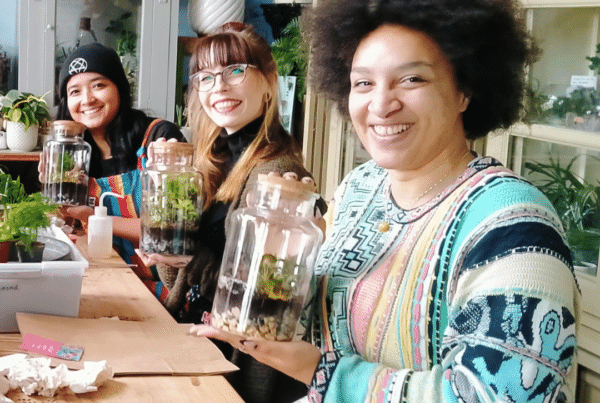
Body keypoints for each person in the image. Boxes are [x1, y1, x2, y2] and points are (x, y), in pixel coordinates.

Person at [189, 1, 580, 402]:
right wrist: (281, 244)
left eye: (411, 79)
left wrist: (318, 371)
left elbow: (493, 395)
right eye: (363, 83)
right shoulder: (359, 188)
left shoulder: (514, 225)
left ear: (464, 89)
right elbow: (305, 322)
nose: (380, 105)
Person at [139, 22, 326, 403]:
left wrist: (190, 258)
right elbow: (179, 274)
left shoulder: (278, 176)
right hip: (194, 338)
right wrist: (169, 242)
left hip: (236, 362)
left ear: (269, 81)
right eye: (205, 78)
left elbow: (260, 304)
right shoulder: (211, 160)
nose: (219, 87)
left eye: (235, 71)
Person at [42, 42, 185, 301]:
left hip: (169, 290)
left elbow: (171, 233)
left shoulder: (159, 139)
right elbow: (67, 225)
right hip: (115, 280)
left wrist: (94, 219)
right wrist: (55, 198)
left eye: (98, 85)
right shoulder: (75, 154)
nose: (87, 99)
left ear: (119, 87)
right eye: (75, 91)